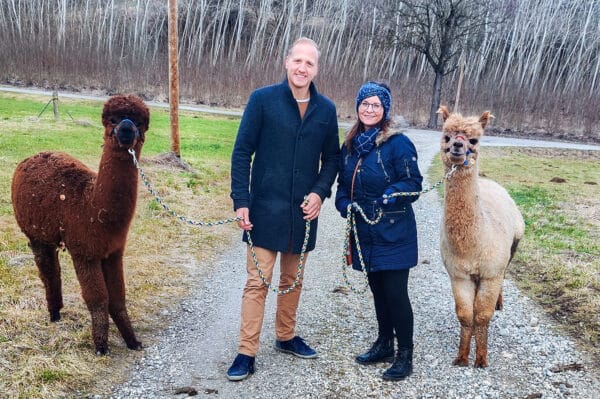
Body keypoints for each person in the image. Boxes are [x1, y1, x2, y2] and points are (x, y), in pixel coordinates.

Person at [227, 37, 340, 381]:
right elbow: (242, 151)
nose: (302, 68)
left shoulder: (326, 110)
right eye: (298, 61)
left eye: (310, 63)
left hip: (302, 214)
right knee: (256, 283)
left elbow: (333, 158)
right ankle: (246, 352)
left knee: (292, 280)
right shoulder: (262, 100)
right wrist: (241, 200)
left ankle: (286, 336)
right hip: (263, 209)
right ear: (287, 62)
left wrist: (321, 193)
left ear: (316, 69)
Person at [335, 81, 423, 381]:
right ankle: (384, 343)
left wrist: (391, 193)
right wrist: (345, 204)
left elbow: (413, 184)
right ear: (358, 106)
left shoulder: (399, 144)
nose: (369, 109)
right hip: (365, 232)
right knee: (378, 292)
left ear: (384, 110)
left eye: (375, 105)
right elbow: (342, 188)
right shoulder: (350, 146)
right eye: (364, 103)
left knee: (396, 294)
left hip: (394, 232)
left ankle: (405, 354)